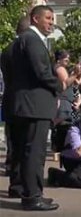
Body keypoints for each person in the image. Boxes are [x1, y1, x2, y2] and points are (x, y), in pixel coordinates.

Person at [10, 5, 62, 211]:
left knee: (27, 151)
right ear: (35, 19)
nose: (51, 22)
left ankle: (31, 192)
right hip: (35, 106)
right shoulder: (32, 40)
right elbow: (42, 72)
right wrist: (60, 85)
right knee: (35, 152)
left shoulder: (22, 41)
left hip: (27, 105)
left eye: (52, 19)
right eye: (48, 18)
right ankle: (33, 197)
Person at [1, 15, 29, 196]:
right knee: (25, 146)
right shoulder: (24, 49)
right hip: (25, 103)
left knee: (14, 145)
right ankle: (22, 185)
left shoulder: (7, 50)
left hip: (10, 102)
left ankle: (15, 184)